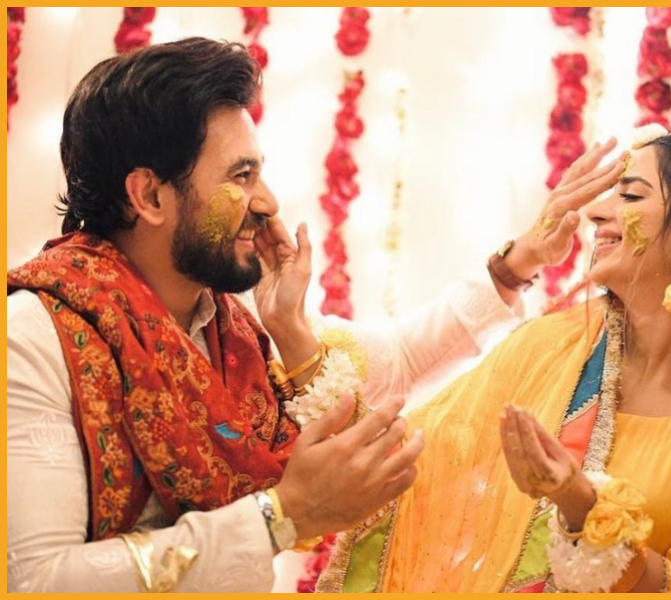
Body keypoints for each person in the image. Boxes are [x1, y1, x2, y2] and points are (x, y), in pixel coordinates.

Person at [5, 37, 572, 592]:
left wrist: (515, 264)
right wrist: (280, 517)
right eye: (240, 176)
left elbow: (397, 362)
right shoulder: (35, 337)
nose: (268, 202)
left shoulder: (234, 334)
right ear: (150, 197)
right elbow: (34, 580)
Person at [317, 130, 671, 593]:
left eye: (630, 196)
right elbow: (420, 452)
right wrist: (299, 351)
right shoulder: (554, 346)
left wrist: (580, 504)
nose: (595, 212)